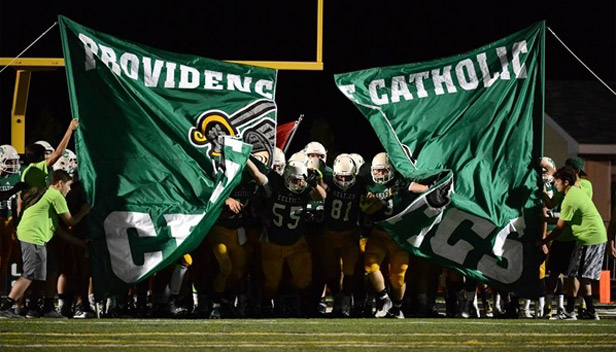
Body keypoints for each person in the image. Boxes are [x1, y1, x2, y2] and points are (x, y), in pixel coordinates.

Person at [0, 170, 89, 318]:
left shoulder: (49, 195)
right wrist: (84, 211)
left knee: (51, 269)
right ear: (60, 183)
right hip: (32, 236)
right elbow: (71, 221)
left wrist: (81, 243)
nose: (69, 189)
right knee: (29, 273)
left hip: (36, 237)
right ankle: (6, 306)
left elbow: (60, 232)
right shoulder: (56, 196)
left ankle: (47, 308)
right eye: (68, 185)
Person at [245, 157, 326, 316]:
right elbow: (256, 174)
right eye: (296, 181)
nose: (300, 184)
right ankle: (267, 304)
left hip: (296, 242)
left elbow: (322, 198)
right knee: (270, 284)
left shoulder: (305, 190)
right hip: (273, 243)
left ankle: (296, 303)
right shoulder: (274, 185)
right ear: (287, 177)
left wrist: (313, 183)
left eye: (301, 181)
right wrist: (244, 155)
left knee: (303, 280)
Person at [360, 152, 430, 319]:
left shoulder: (400, 182)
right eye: (376, 171)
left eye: (383, 171)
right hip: (379, 233)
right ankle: (384, 299)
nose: (379, 174)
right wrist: (384, 196)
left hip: (399, 236)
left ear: (391, 170)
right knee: (370, 266)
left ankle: (397, 307)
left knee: (398, 277)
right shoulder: (369, 186)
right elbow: (366, 209)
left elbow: (420, 189)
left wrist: (434, 189)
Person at [539, 166, 607, 320]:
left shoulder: (569, 199)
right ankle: (585, 310)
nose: (555, 184)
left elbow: (559, 228)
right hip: (591, 236)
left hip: (589, 238)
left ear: (566, 181)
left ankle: (575, 311)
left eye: (557, 181)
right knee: (577, 274)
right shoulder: (576, 192)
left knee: (579, 274)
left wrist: (543, 241)